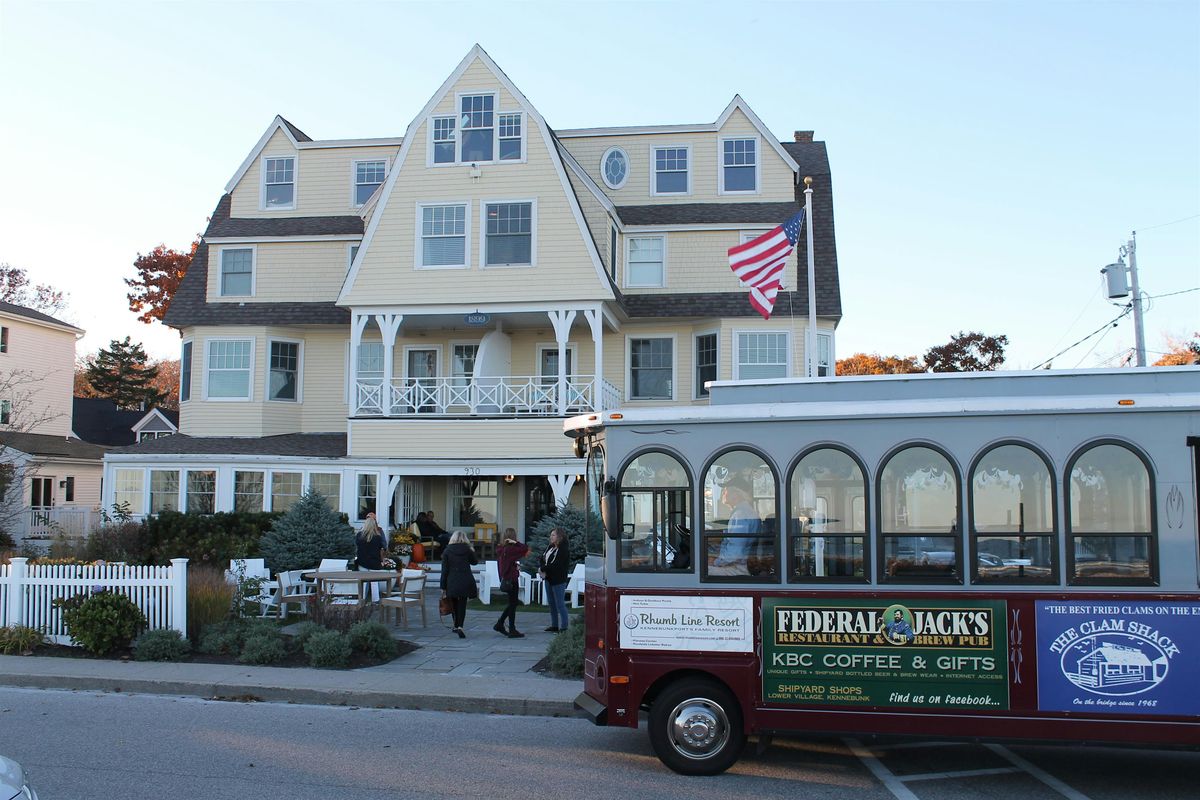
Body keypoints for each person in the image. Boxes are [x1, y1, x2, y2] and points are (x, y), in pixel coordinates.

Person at [710, 477, 762, 576]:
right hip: (742, 564)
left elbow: (735, 553)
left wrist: (715, 562)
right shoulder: (747, 512)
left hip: (738, 568)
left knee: (700, 571)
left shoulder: (740, 515)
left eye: (726, 490)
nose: (723, 493)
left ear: (737, 494)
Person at [439, 531, 478, 638]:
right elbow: (475, 562)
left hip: (452, 580)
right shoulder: (467, 550)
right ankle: (460, 626)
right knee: (462, 604)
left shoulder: (447, 551)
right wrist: (472, 551)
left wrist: (442, 586)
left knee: (454, 603)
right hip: (466, 579)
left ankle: (456, 625)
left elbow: (445, 570)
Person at [494, 528, 530, 638]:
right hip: (511, 579)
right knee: (513, 604)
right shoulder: (511, 550)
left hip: (506, 578)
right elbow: (525, 549)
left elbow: (506, 563)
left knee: (512, 603)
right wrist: (516, 543)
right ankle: (510, 628)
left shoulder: (502, 549)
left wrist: (514, 565)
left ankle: (502, 624)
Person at [540, 527, 570, 632]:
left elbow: (556, 564)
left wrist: (543, 569)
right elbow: (543, 559)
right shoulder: (550, 547)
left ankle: (564, 626)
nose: (551, 537)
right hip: (548, 578)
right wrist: (542, 569)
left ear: (559, 537)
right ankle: (554, 625)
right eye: (551, 535)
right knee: (551, 603)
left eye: (553, 535)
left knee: (560, 604)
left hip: (558, 579)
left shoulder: (563, 549)